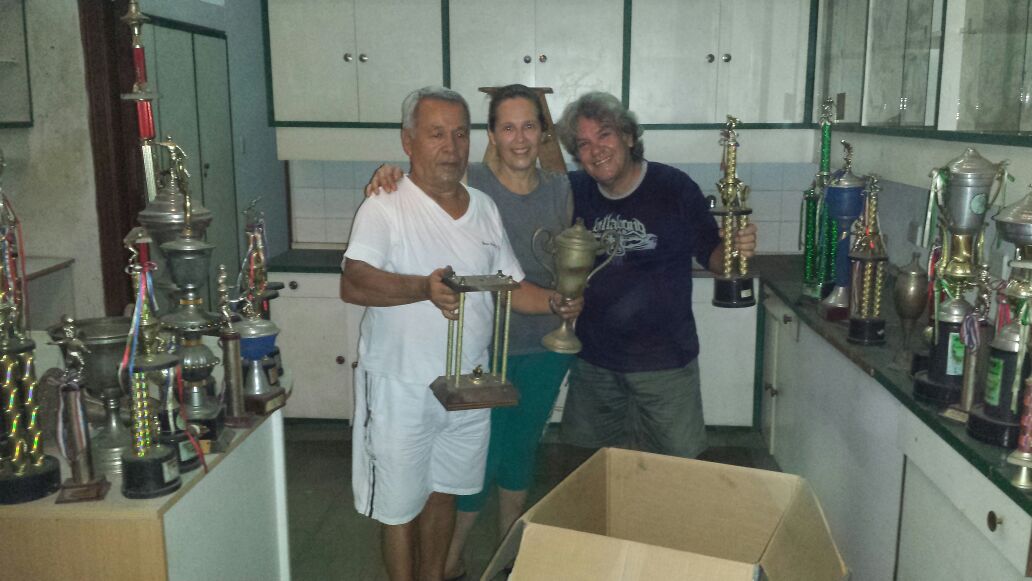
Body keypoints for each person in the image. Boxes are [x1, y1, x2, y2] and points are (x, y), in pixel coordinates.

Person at [340, 86, 576, 581]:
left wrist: (556, 302)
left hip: (468, 386)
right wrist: (421, 288)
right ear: (408, 141)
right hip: (400, 387)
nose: (450, 146)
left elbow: (511, 286)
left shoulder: (484, 208)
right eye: (436, 134)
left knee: (445, 494)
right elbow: (354, 282)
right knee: (398, 510)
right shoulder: (385, 205)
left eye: (459, 134)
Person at [554, 91, 758, 459]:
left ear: (629, 137)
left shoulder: (674, 188)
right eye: (583, 144)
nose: (596, 150)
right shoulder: (574, 191)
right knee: (587, 469)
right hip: (595, 363)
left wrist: (735, 250)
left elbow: (713, 256)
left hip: (665, 365)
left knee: (677, 472)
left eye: (605, 135)